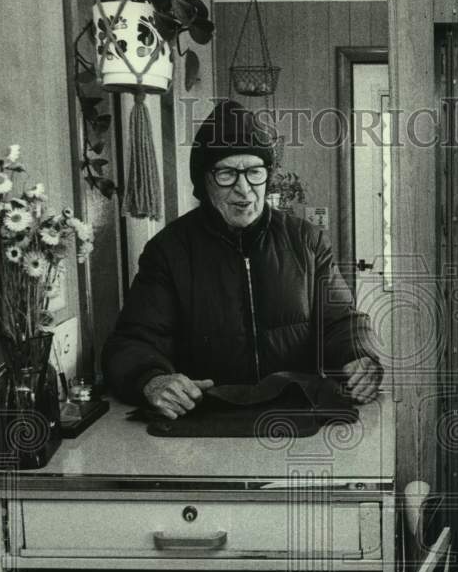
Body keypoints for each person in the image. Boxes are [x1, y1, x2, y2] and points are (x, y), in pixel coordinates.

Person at [103, 100, 383, 419]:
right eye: (226, 173)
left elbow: (341, 321)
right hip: (206, 420)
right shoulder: (168, 251)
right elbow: (131, 341)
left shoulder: (307, 240)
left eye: (254, 172)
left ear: (267, 174)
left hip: (295, 415)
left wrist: (360, 357)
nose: (244, 190)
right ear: (203, 181)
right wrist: (151, 380)